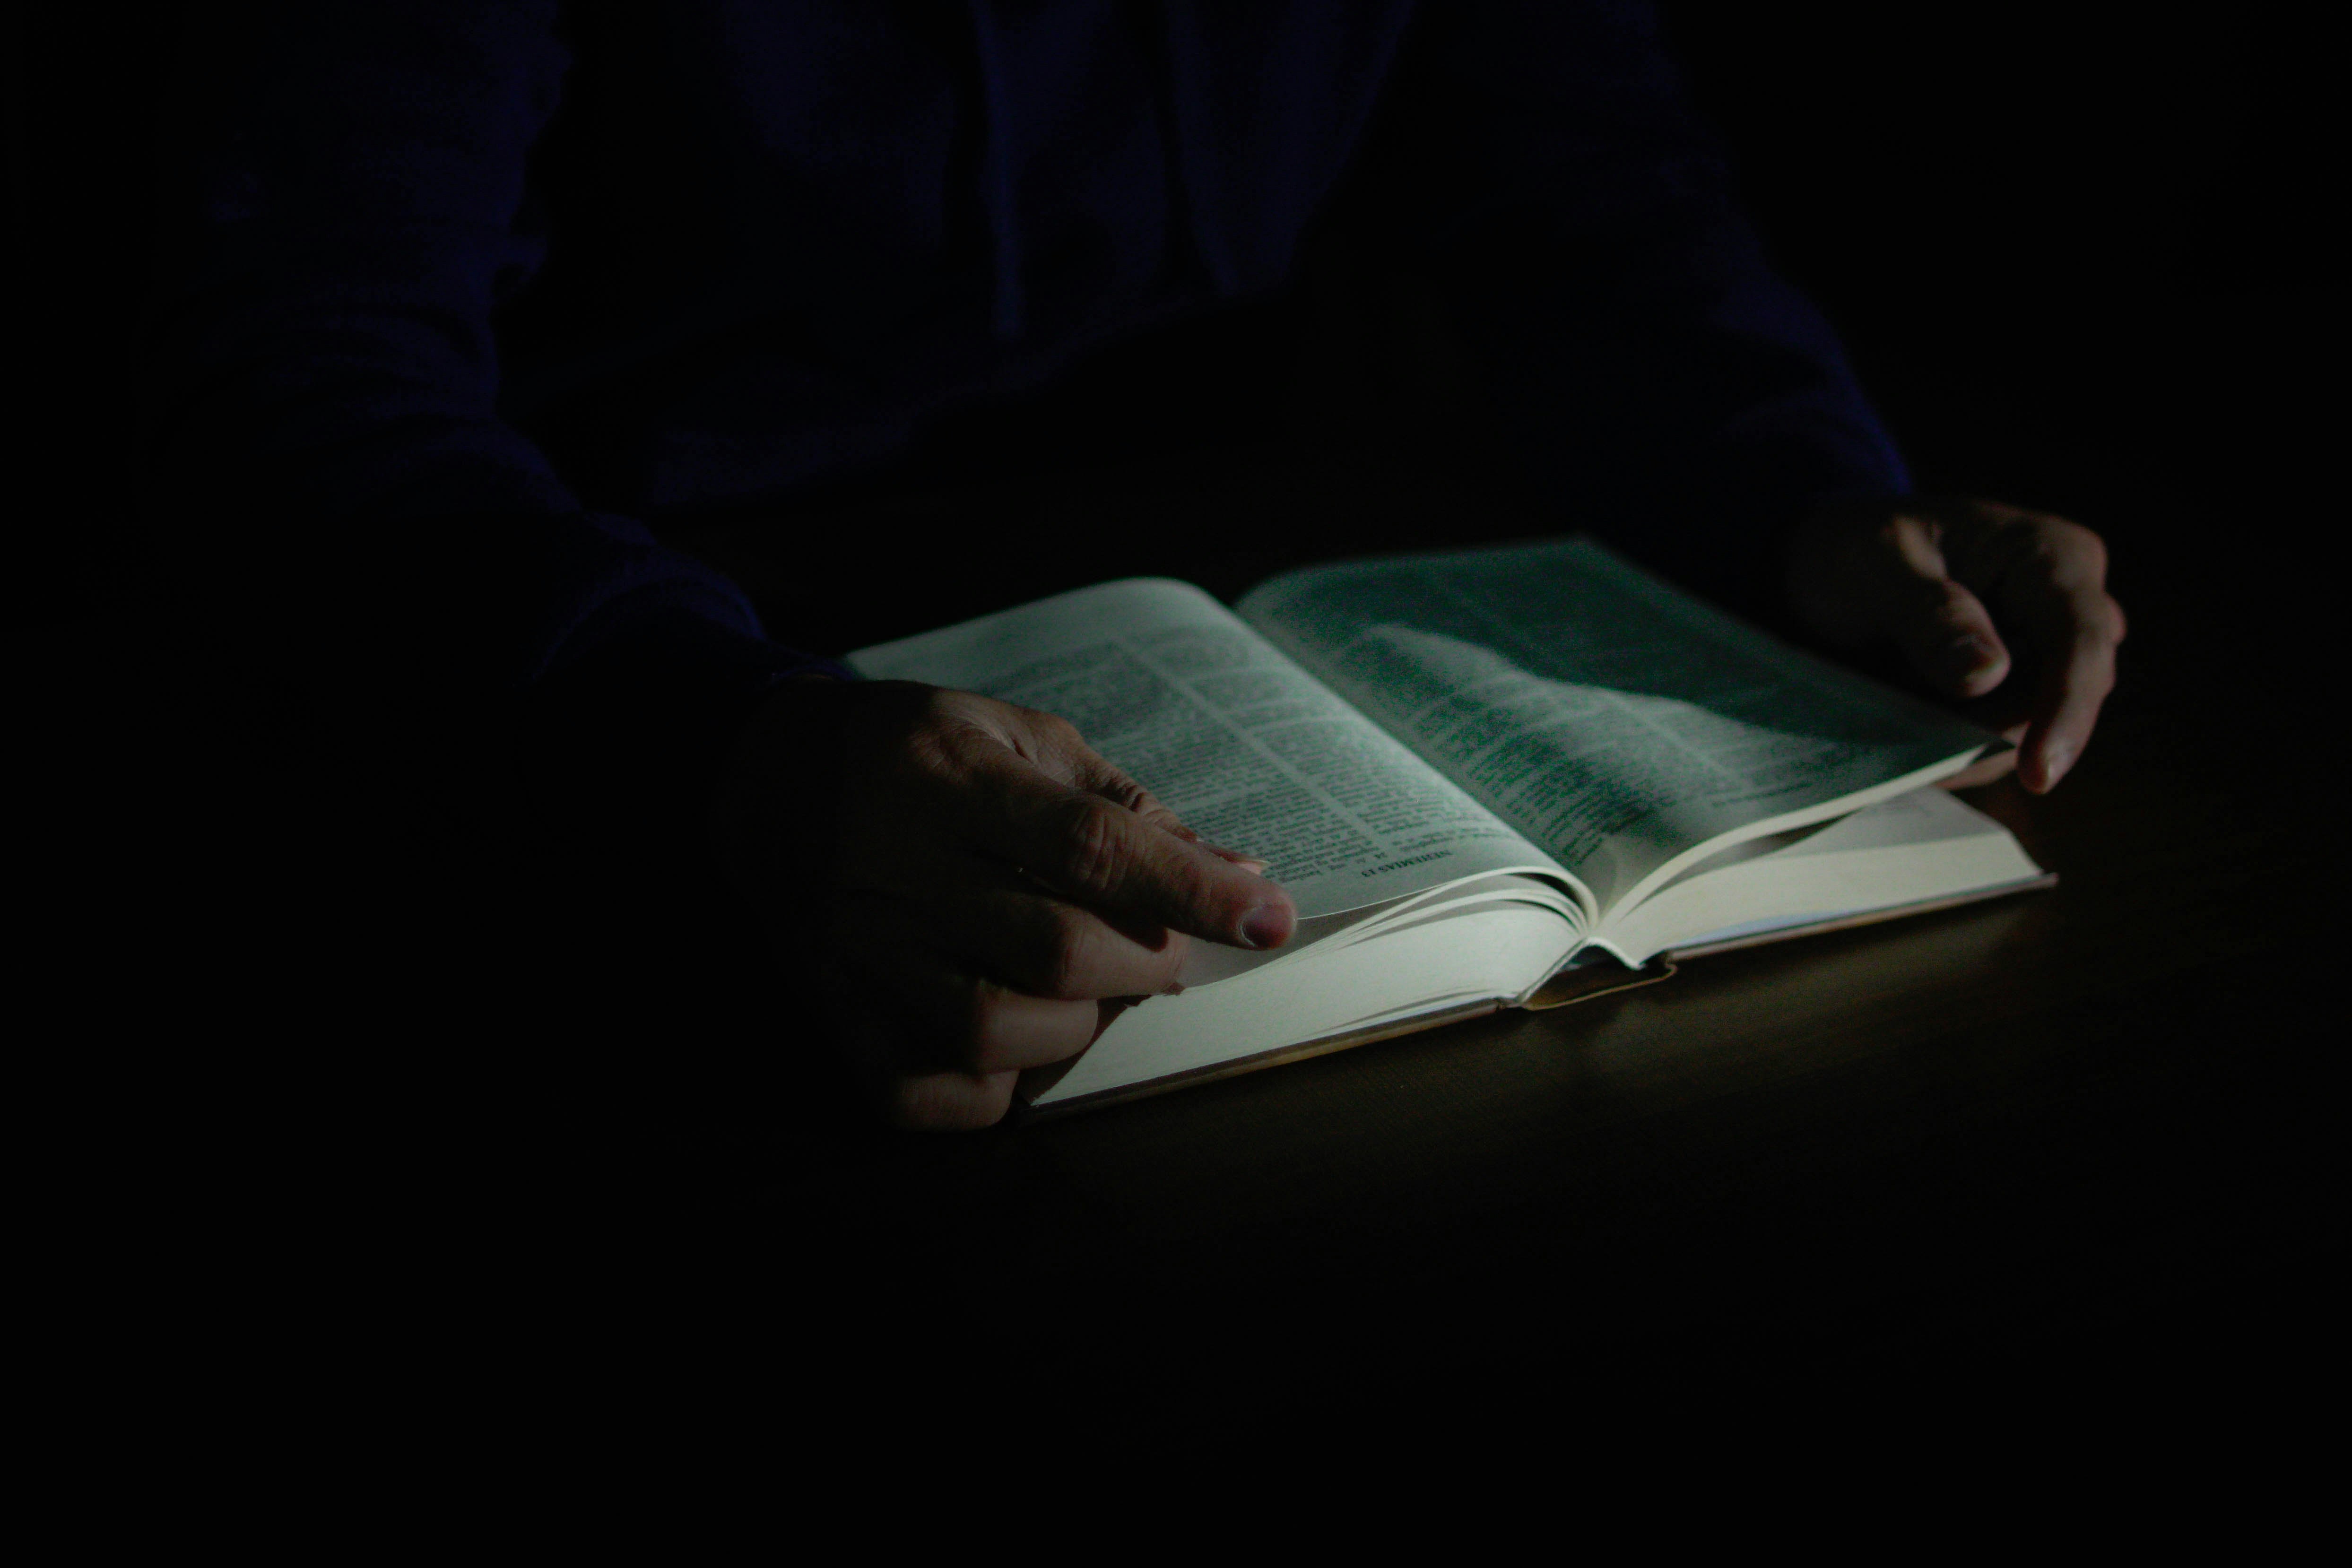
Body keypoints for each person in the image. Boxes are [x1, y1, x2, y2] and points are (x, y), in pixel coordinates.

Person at [142, 2, 2123, 1129]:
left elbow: (1590, 187)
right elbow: (300, 347)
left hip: (1228, 587)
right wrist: (696, 733)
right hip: (607, 645)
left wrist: (1807, 497)